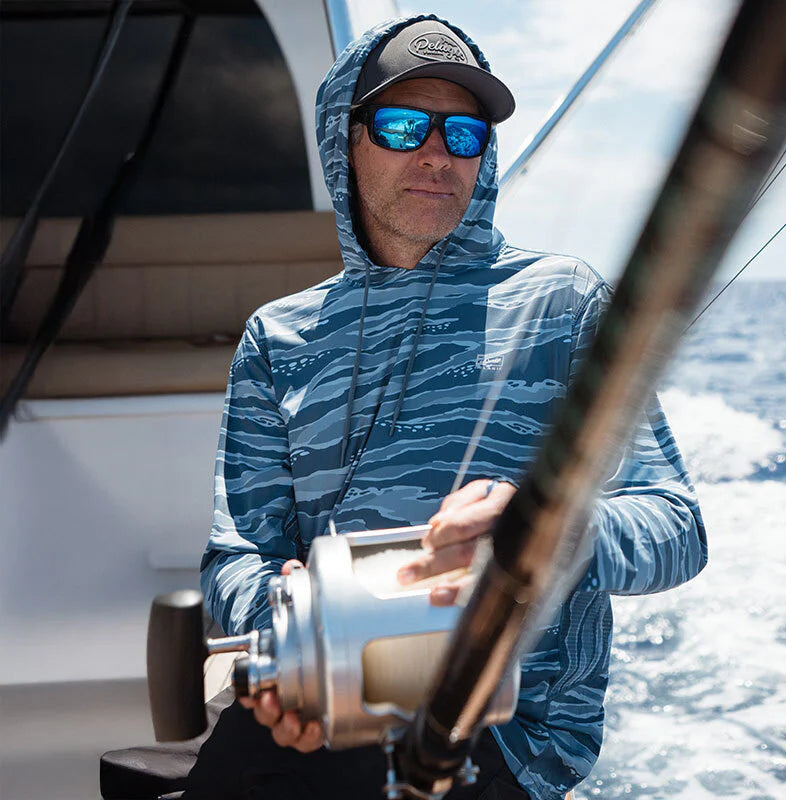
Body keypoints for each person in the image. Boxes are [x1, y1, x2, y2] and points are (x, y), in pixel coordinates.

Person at [189, 14, 707, 800]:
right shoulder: (278, 337)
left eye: (463, 134)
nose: (437, 154)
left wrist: (545, 531)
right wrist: (292, 640)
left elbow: (677, 524)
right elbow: (236, 559)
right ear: (345, 141)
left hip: (501, 731)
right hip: (326, 695)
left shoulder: (564, 303)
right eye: (404, 126)